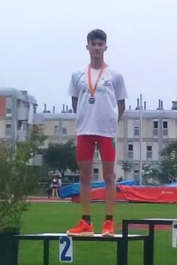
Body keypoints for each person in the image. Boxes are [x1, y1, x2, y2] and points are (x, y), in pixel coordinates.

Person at [66, 29, 128, 237]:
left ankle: (108, 223)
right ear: (87, 47)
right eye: (93, 44)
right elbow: (76, 102)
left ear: (105, 47)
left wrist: (111, 123)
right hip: (84, 131)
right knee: (84, 175)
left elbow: (121, 104)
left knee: (109, 176)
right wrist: (86, 118)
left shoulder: (115, 75)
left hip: (106, 133)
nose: (97, 48)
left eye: (100, 44)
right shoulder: (78, 75)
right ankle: (86, 222)